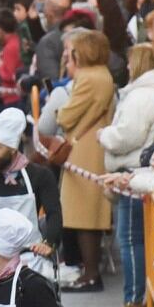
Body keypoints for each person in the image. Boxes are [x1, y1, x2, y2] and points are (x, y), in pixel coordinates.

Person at [56, 29, 117, 292]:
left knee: (84, 216)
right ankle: (89, 270)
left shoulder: (89, 78)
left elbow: (65, 117)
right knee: (87, 214)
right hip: (93, 144)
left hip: (85, 149)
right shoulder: (103, 74)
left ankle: (90, 273)